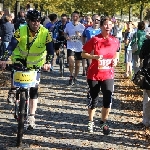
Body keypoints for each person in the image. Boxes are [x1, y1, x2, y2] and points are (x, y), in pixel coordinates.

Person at [0, 9, 54, 129]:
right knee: (15, 71)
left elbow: (50, 51)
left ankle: (31, 117)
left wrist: (48, 62)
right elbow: (11, 46)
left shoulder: (45, 33)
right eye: (33, 21)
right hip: (20, 60)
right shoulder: (21, 30)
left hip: (36, 64)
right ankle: (13, 91)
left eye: (38, 21)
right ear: (28, 21)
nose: (36, 23)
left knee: (34, 90)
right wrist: (4, 58)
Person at [81, 16, 119, 134]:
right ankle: (90, 121)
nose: (108, 27)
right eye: (106, 25)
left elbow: (117, 53)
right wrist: (94, 57)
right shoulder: (95, 39)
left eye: (110, 25)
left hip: (108, 74)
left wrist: (116, 60)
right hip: (94, 74)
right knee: (94, 99)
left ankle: (103, 122)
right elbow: (83, 54)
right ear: (101, 26)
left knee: (108, 98)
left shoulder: (115, 40)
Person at [64, 11, 85, 85]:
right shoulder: (68, 25)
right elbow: (65, 32)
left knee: (77, 64)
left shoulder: (82, 26)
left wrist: (79, 35)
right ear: (72, 17)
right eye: (73, 16)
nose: (75, 18)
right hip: (70, 46)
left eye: (76, 16)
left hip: (79, 47)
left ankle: (75, 77)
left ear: (79, 17)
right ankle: (71, 75)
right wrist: (66, 36)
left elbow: (83, 38)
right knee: (71, 62)